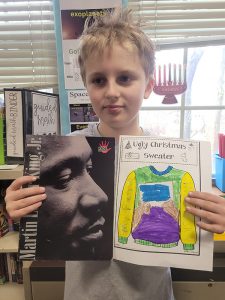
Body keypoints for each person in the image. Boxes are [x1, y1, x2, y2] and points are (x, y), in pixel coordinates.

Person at [5, 8, 225, 300]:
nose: (111, 91)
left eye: (124, 78)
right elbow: (45, 222)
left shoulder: (172, 156)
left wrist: (214, 219)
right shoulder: (65, 149)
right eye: (98, 80)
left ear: (147, 86)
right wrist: (20, 208)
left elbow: (194, 226)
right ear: (86, 86)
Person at [32, 135, 114, 260]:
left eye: (89, 168)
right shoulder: (66, 135)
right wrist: (20, 206)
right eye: (64, 178)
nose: (102, 196)